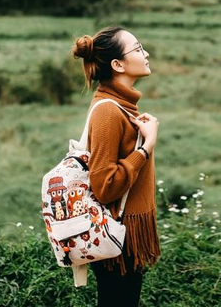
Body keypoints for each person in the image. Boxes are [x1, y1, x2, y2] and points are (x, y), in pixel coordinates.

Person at [72, 25, 161, 307]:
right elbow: (104, 185)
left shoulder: (121, 106)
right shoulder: (109, 111)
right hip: (116, 233)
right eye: (137, 49)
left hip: (125, 234)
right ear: (117, 64)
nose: (145, 53)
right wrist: (146, 147)